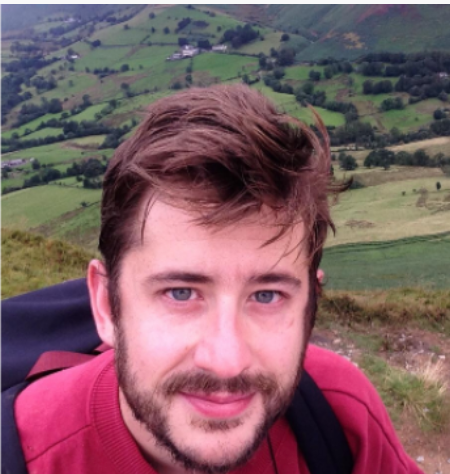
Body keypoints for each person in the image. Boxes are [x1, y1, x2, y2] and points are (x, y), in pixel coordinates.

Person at [13, 84, 424, 474]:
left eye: (267, 295)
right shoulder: (23, 452)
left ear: (309, 309)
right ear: (106, 304)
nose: (227, 362)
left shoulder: (339, 413)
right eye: (181, 293)